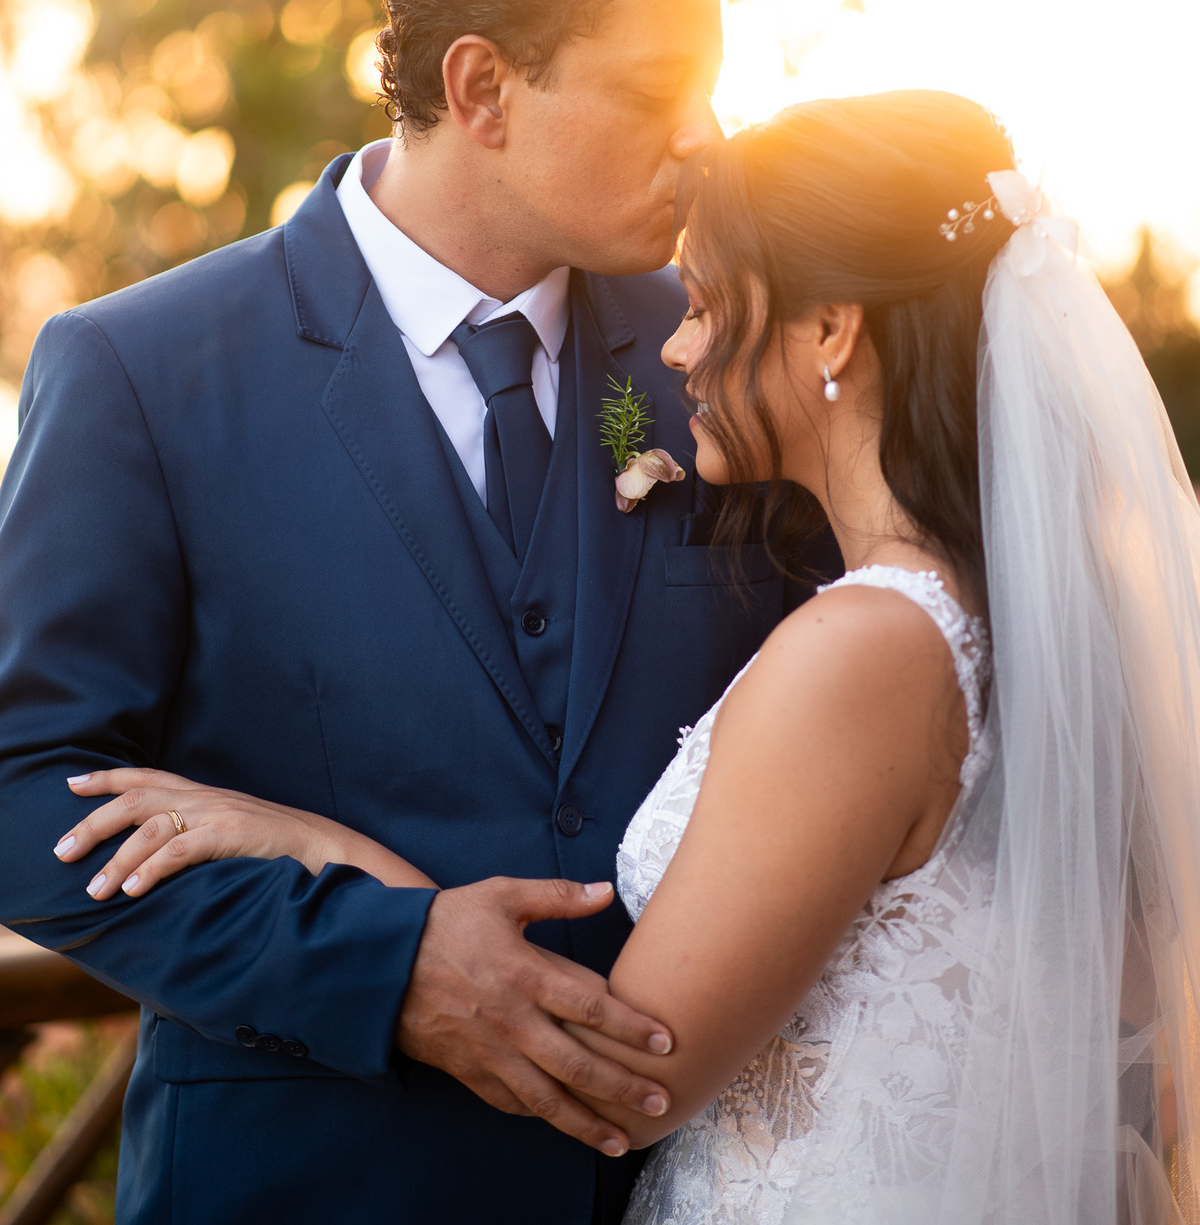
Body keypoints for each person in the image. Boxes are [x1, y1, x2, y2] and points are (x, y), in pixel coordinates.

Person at [60, 90, 1200, 1223]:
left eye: (709, 304)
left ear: (831, 331)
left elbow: (626, 1071)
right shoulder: (987, 611)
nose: (675, 345)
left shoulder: (865, 647)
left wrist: (306, 840)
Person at [0, 0, 828, 1225]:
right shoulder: (143, 370)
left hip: (688, 1186)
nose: (704, 138)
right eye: (652, 91)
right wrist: (385, 965)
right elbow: (22, 793)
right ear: (483, 86)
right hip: (304, 1186)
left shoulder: (718, 354)